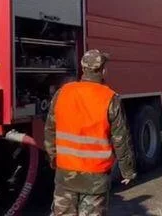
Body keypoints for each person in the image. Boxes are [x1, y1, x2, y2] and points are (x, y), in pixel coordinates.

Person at [44, 49, 137, 216]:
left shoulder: (63, 93)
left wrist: (53, 158)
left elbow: (50, 130)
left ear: (83, 68)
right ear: (103, 71)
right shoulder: (110, 98)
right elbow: (120, 138)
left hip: (65, 174)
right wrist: (127, 170)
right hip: (95, 178)